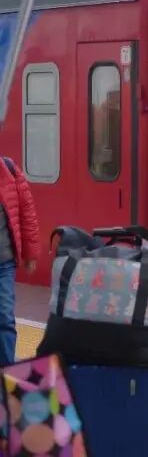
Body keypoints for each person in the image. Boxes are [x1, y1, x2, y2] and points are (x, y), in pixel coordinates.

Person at [0, 156, 39, 367]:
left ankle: (7, 373)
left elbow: (26, 212)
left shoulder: (9, 170)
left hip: (4, 263)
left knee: (4, 318)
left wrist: (30, 254)